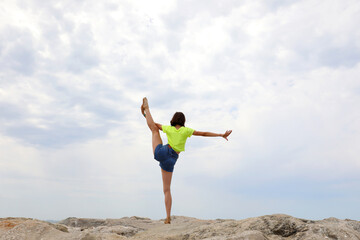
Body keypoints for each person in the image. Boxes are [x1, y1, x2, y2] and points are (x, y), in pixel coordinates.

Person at [141, 97, 232, 224]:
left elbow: (153, 124)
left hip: (162, 153)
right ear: (183, 121)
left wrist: (145, 114)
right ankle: (168, 217)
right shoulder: (186, 130)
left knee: (154, 130)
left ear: (173, 120)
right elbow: (203, 133)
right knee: (167, 190)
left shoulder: (169, 128)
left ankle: (147, 108)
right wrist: (221, 135)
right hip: (171, 160)